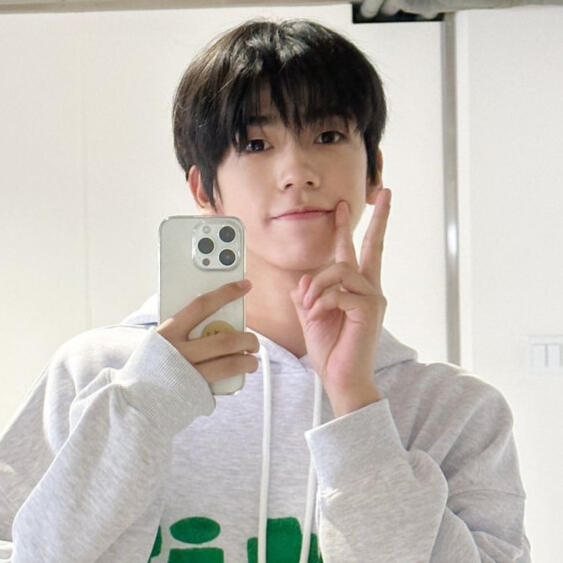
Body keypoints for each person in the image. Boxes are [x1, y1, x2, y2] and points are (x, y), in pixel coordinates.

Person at [0, 17, 530, 563]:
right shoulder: (98, 373)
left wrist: (356, 407)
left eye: (327, 136)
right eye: (255, 144)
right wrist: (143, 410)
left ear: (373, 170)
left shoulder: (456, 411)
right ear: (204, 189)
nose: (297, 171)